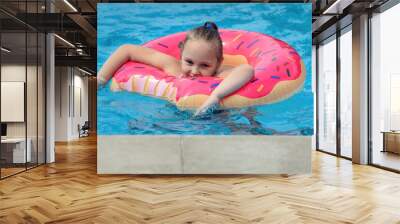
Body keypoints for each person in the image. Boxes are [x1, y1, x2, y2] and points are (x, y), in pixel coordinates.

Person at [97, 21, 254, 116]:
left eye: (205, 65)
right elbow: (127, 49)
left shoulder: (220, 72)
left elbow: (247, 70)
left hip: (219, 114)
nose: (194, 71)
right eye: (189, 62)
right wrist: (100, 80)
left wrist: (216, 97)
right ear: (181, 55)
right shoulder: (174, 67)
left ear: (218, 63)